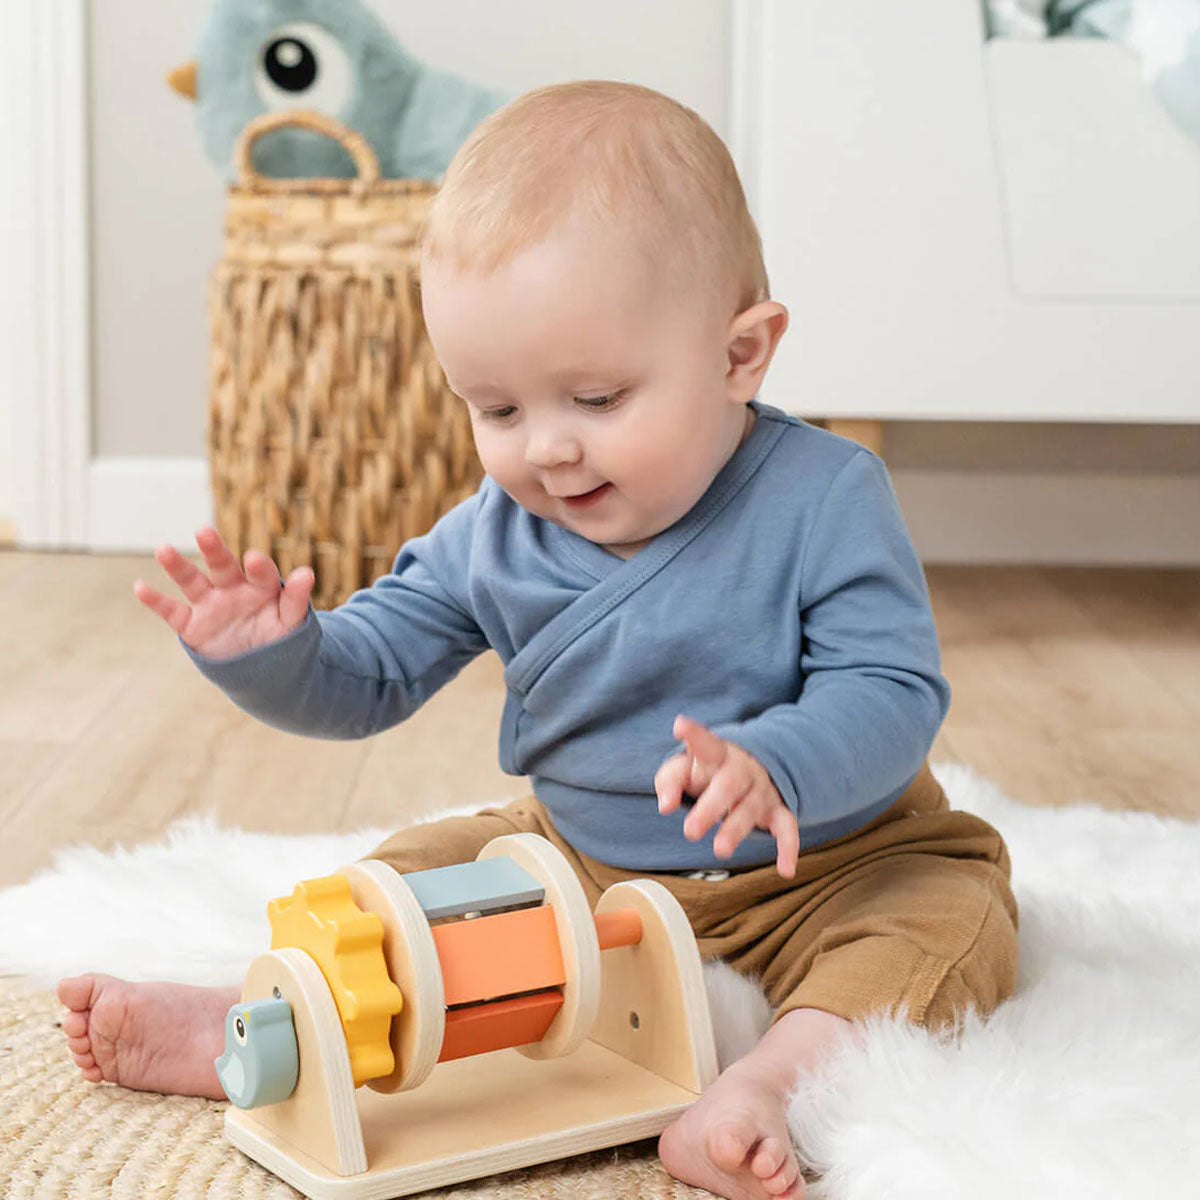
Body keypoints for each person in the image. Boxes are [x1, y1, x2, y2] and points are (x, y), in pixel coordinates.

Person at [57, 80, 1018, 1200]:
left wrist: (778, 766)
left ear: (740, 355)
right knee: (409, 878)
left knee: (950, 923)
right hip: (586, 870)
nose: (547, 451)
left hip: (838, 862)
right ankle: (262, 1023)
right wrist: (272, 652)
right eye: (498, 410)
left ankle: (769, 1083)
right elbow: (367, 676)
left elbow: (892, 686)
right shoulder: (494, 535)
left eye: (598, 397)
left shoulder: (825, 497)